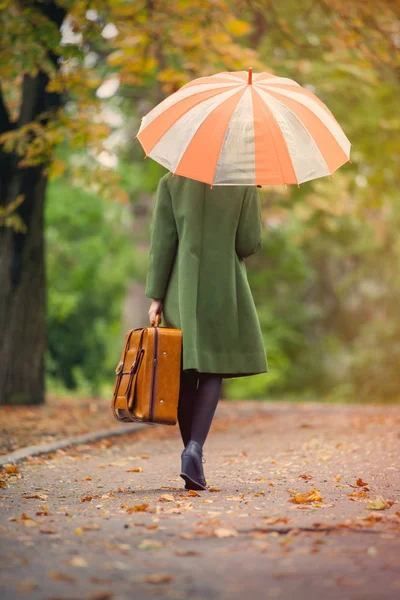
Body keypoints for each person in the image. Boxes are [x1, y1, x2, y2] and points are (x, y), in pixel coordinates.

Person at [145, 172, 268, 490]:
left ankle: (191, 458)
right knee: (214, 369)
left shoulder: (171, 183)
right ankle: (194, 449)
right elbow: (248, 243)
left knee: (184, 370)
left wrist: (156, 296)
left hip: (180, 289)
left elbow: (162, 243)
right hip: (223, 286)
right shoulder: (242, 183)